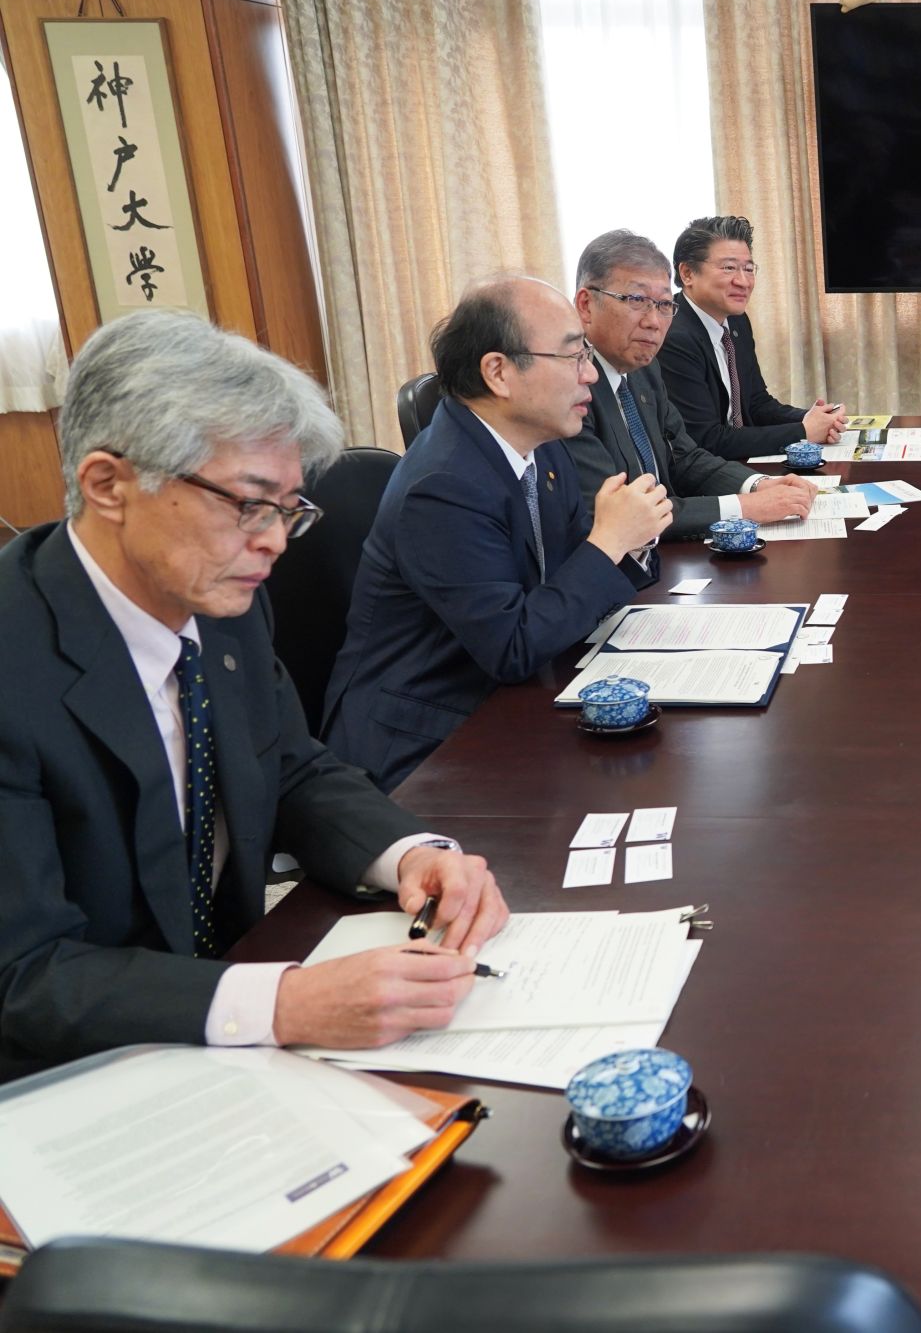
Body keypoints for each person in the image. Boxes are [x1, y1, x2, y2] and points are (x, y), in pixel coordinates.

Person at [0, 311, 509, 1081]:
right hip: (70, 1079)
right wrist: (282, 1002)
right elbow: (24, 974)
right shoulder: (16, 659)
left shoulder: (221, 599)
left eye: (287, 509)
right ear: (108, 485)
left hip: (233, 1038)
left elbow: (291, 765)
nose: (273, 541)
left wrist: (409, 852)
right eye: (247, 504)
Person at [323, 276, 671, 790]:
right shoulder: (441, 487)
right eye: (574, 357)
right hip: (425, 743)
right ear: (499, 372)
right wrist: (609, 541)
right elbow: (511, 646)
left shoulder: (542, 443)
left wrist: (632, 538)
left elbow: (573, 569)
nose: (590, 376)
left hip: (517, 696)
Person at [565, 230, 818, 577]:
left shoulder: (644, 370)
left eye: (664, 305)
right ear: (585, 305)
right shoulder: (570, 391)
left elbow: (685, 457)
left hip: (663, 562)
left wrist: (757, 484)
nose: (653, 322)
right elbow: (630, 515)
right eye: (636, 300)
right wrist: (745, 506)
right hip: (616, 576)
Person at [655, 214, 847, 459]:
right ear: (687, 273)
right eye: (729, 268)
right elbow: (706, 440)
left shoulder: (736, 320)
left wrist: (811, 419)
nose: (743, 281)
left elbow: (756, 403)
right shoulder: (674, 336)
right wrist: (803, 431)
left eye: (748, 268)